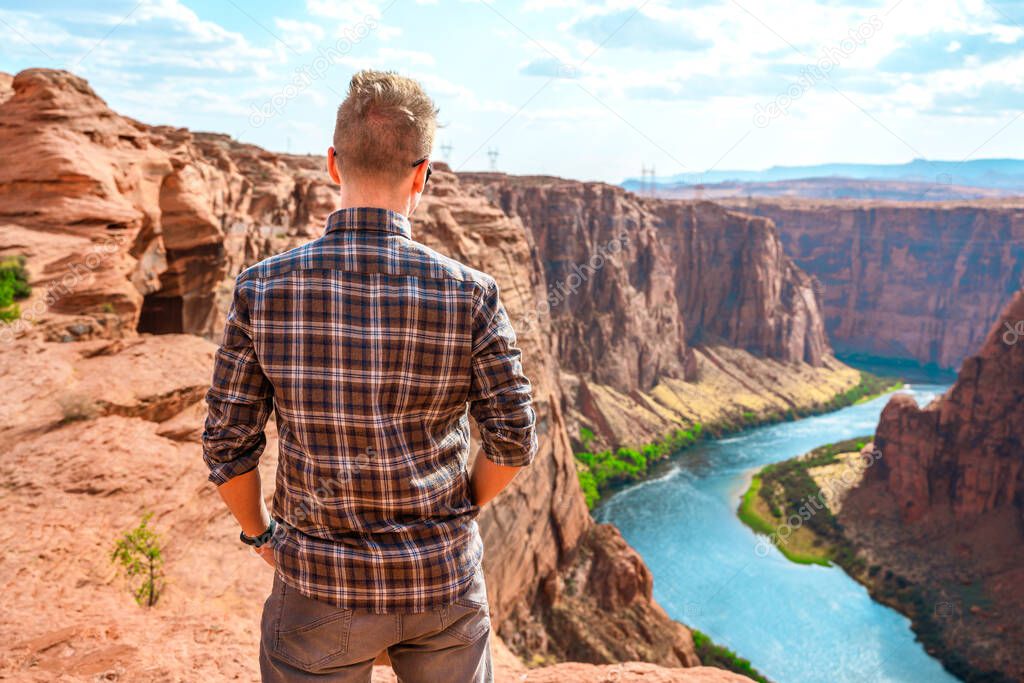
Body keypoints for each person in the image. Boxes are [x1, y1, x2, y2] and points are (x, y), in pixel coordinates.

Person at [201, 69, 537, 683]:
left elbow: (227, 446)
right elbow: (514, 440)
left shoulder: (263, 288)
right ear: (423, 174)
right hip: (443, 589)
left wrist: (262, 538)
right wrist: (460, 511)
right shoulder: (472, 294)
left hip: (317, 590)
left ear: (333, 163)